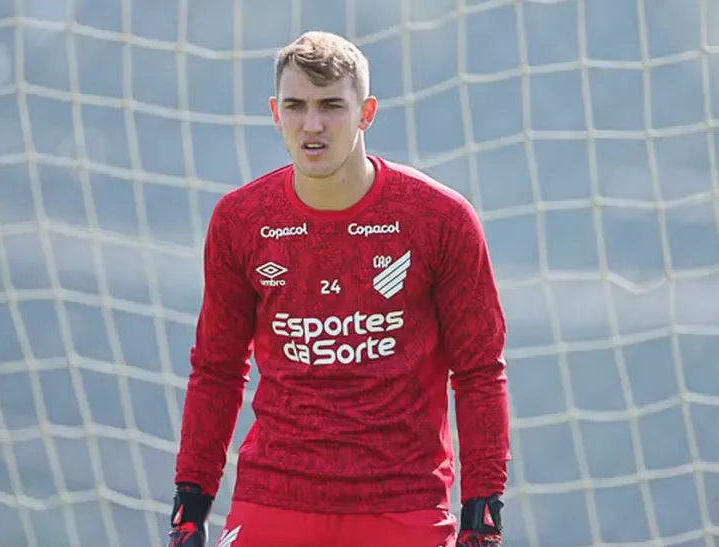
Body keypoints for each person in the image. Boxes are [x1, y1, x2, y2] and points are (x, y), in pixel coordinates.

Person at [166, 30, 511, 547]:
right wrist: (190, 506)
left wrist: (482, 511)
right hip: (273, 498)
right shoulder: (241, 221)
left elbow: (480, 371)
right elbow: (216, 369)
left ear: (367, 112)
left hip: (404, 504)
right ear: (274, 111)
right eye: (296, 106)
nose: (313, 124)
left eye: (331, 106)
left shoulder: (440, 219)